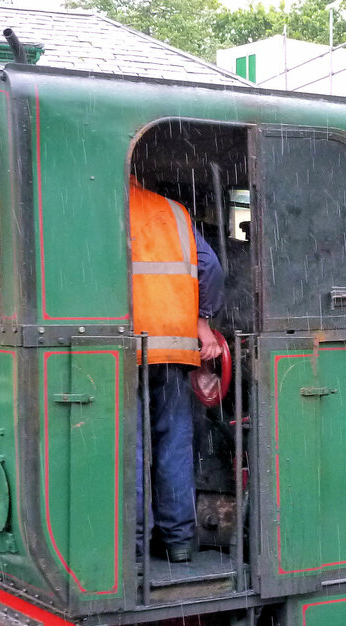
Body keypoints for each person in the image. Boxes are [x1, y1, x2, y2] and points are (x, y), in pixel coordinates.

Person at [130, 176, 225, 563]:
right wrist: (203, 321)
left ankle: (132, 545)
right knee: (173, 444)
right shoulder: (173, 211)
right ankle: (180, 542)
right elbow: (211, 267)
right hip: (173, 346)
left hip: (123, 347)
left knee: (129, 447)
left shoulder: (102, 212)